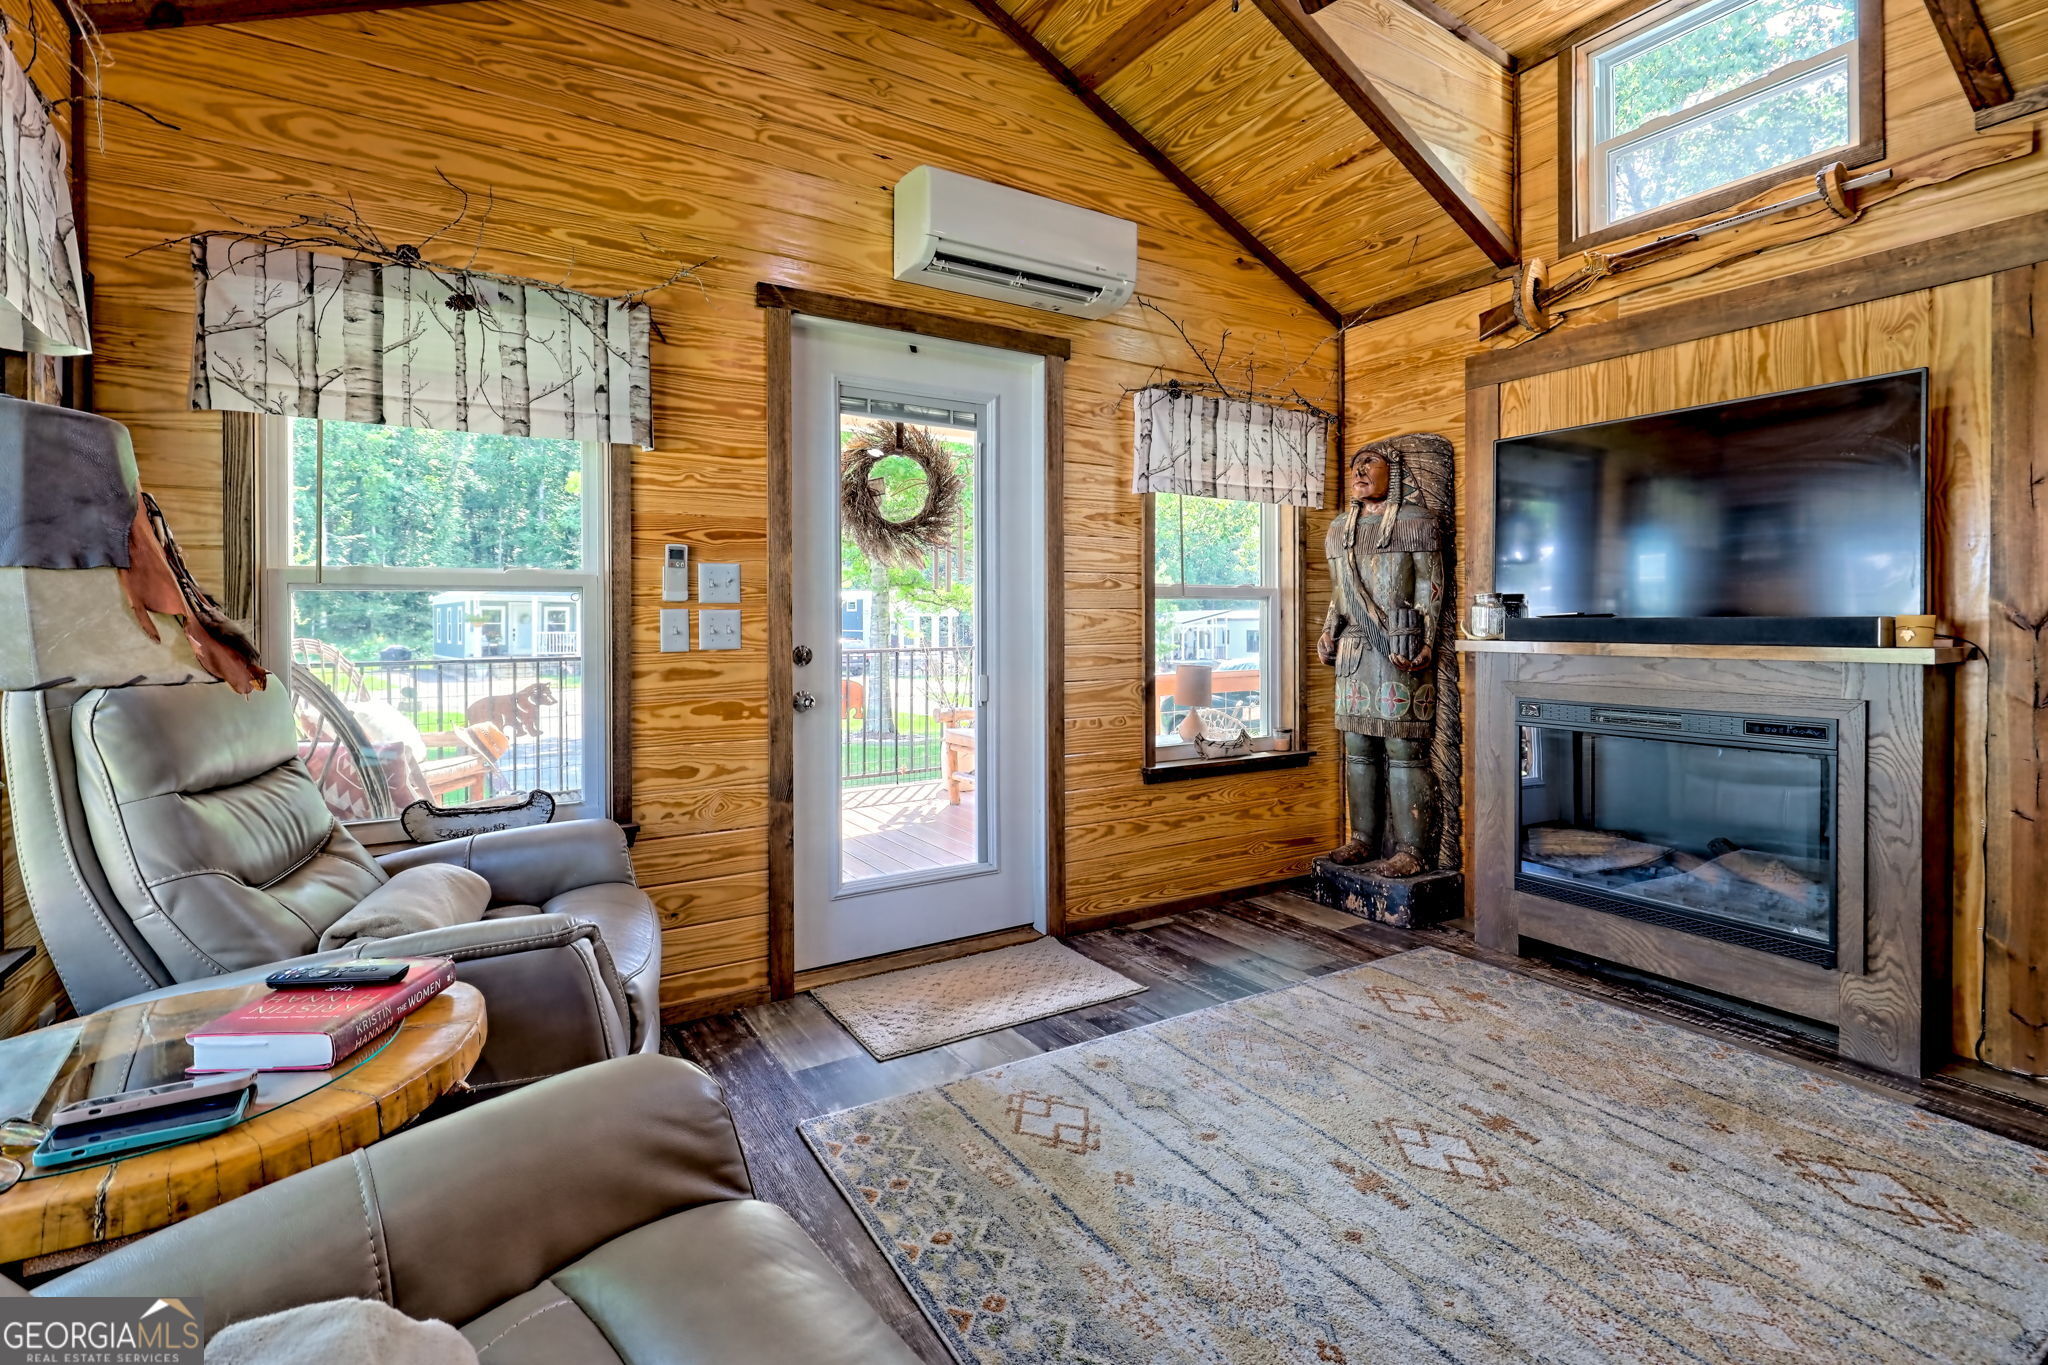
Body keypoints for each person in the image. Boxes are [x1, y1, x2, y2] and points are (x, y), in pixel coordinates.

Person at [1317, 436, 1449, 875]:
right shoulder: (1340, 528)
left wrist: (1426, 640)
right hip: (1355, 648)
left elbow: (1431, 587)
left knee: (1403, 747)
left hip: (1401, 647)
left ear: (1393, 473)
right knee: (1357, 746)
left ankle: (1412, 850)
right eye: (1355, 464)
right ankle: (1362, 839)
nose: (1358, 470)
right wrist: (1328, 629)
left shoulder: (1417, 521)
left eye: (1369, 462)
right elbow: (1340, 590)